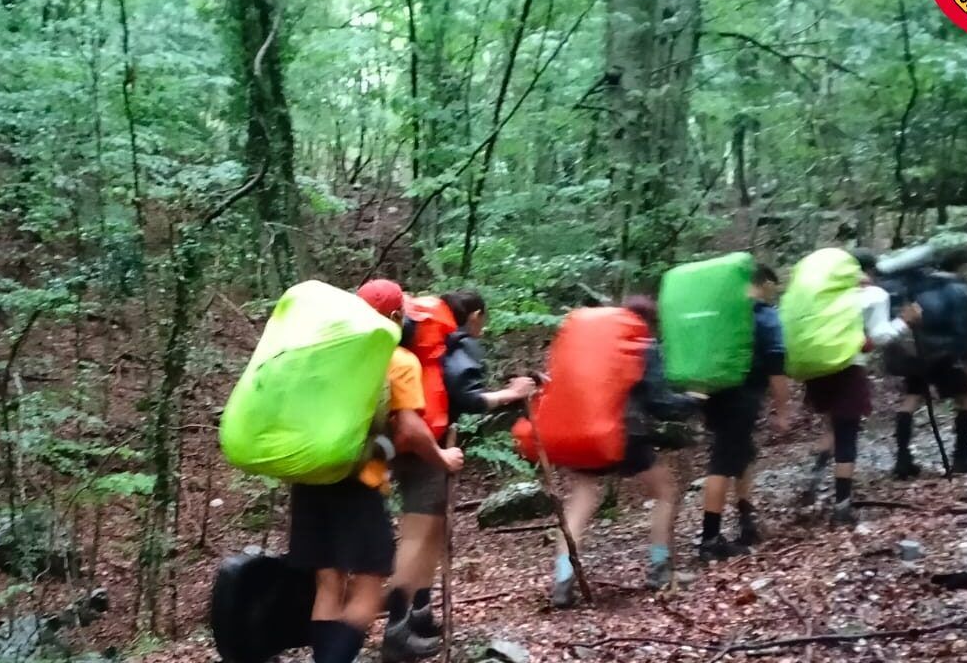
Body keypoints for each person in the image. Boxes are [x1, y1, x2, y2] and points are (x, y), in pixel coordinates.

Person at [291, 281, 462, 663]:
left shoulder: (325, 354)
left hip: (309, 476)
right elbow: (410, 429)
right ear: (396, 317)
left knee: (329, 583)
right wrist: (442, 458)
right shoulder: (397, 359)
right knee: (369, 587)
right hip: (358, 485)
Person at [383, 291, 533, 661]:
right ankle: (397, 631)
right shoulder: (450, 340)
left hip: (396, 440)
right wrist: (510, 394)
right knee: (417, 538)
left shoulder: (423, 337)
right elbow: (467, 397)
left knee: (428, 535)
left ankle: (419, 616)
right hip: (425, 444)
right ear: (475, 315)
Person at [550, 296, 681, 607]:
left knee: (582, 500)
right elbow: (659, 402)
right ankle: (659, 566)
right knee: (665, 491)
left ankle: (563, 577)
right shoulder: (641, 342)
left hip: (584, 431)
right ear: (648, 321)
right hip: (625, 434)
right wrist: (691, 403)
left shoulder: (592, 344)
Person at [798, 251, 922, 525]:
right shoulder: (872, 294)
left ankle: (812, 481)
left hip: (817, 369)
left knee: (832, 425)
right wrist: (904, 321)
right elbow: (880, 336)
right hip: (848, 369)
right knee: (847, 434)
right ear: (871, 270)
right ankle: (842, 508)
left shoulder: (825, 292)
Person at [697, 264, 791, 561]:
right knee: (723, 461)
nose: (771, 292)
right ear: (762, 284)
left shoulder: (720, 315)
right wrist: (782, 410)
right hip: (743, 397)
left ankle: (746, 518)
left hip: (715, 393)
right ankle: (710, 539)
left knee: (742, 453)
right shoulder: (763, 316)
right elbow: (776, 365)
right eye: (770, 285)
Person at [890, 248, 967, 478]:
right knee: (965, 400)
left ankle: (902, 460)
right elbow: (963, 328)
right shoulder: (958, 290)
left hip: (916, 351)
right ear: (961, 266)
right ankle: (962, 456)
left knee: (911, 399)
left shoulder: (919, 285)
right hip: (946, 354)